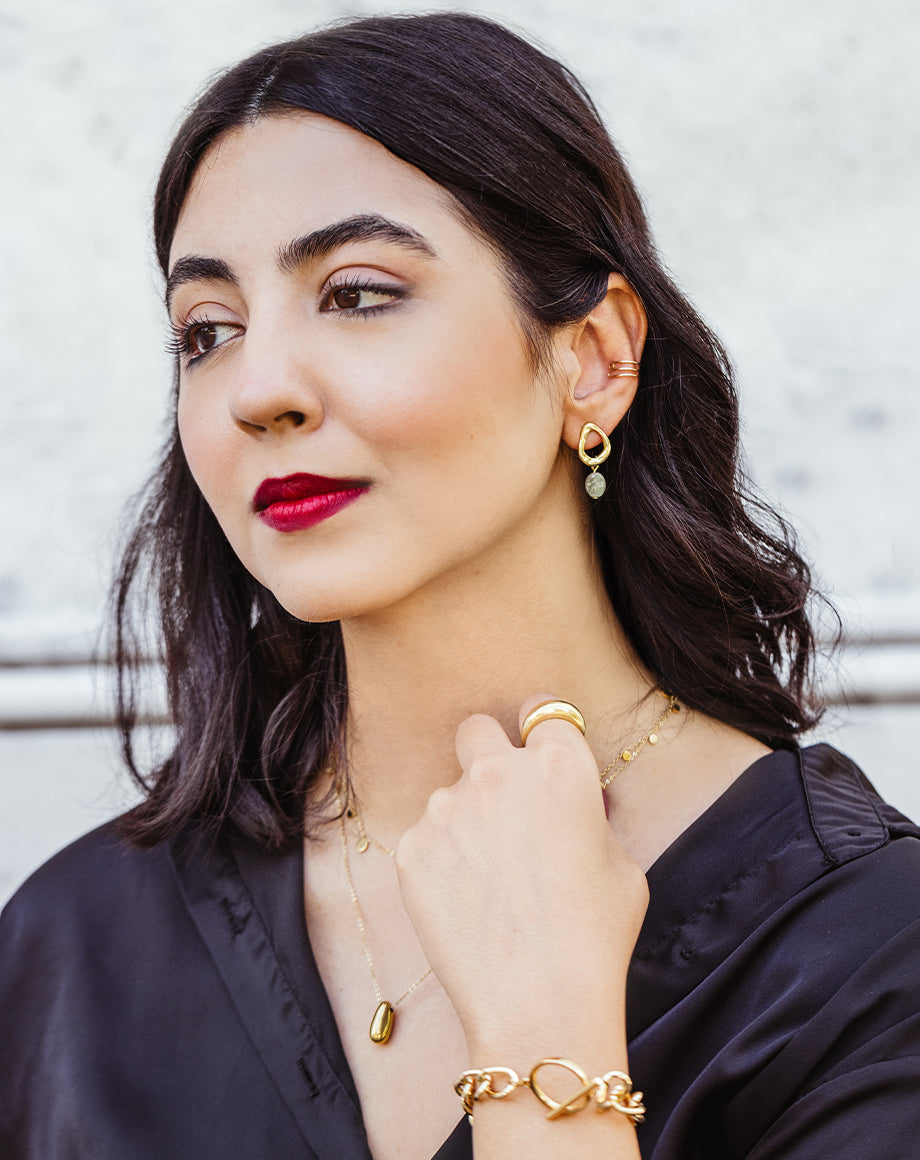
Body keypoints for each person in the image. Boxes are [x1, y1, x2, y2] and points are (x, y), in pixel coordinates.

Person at [2, 12, 919, 1160]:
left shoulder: (864, 951)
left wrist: (550, 1055)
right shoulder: (72, 950)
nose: (258, 389)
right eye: (207, 331)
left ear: (590, 357)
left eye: (357, 292)